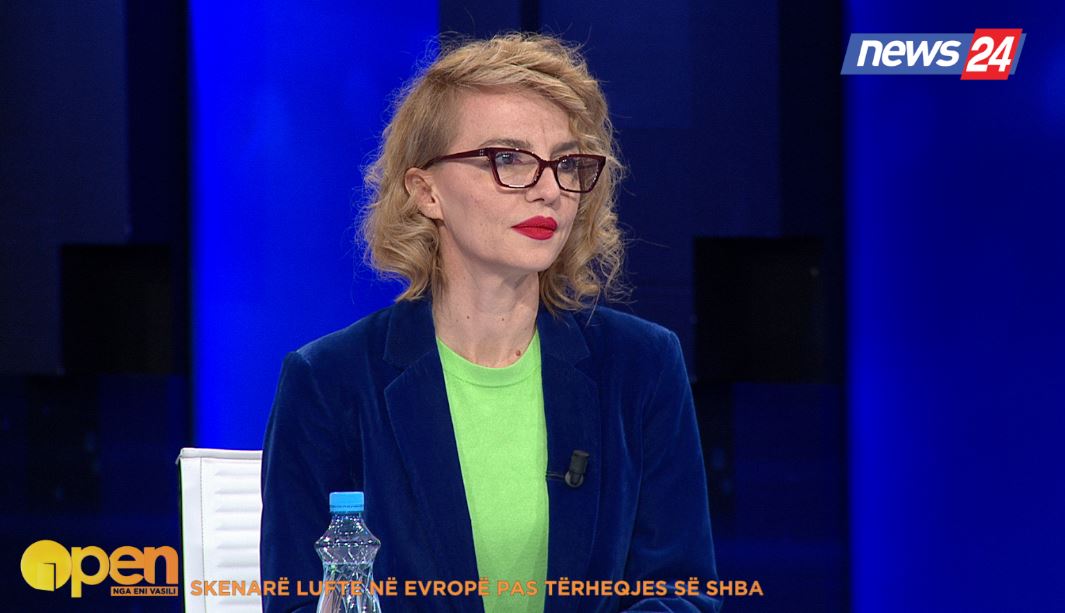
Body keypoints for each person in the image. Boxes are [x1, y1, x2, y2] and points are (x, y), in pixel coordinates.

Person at [260, 33, 722, 612]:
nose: (550, 190)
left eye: (567, 163)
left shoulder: (642, 365)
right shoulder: (330, 380)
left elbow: (679, 590)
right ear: (427, 192)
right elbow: (300, 600)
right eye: (508, 159)